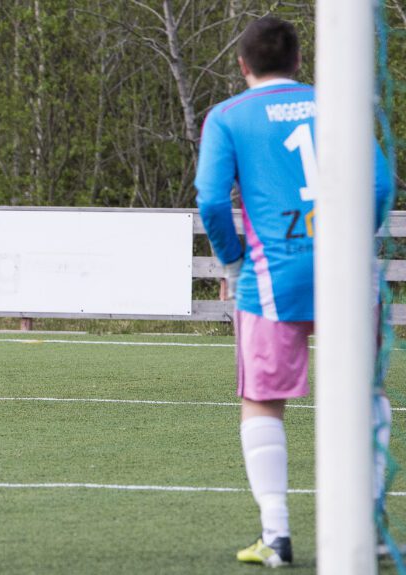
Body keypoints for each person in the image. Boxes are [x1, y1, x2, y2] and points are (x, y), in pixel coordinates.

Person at [196, 16, 393, 567]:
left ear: (243, 65)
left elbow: (211, 201)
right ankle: (370, 527)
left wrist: (233, 258)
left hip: (272, 278)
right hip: (345, 269)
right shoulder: (339, 102)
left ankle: (277, 536)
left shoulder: (228, 116)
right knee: (366, 393)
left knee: (262, 398)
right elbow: (378, 183)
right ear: (300, 61)